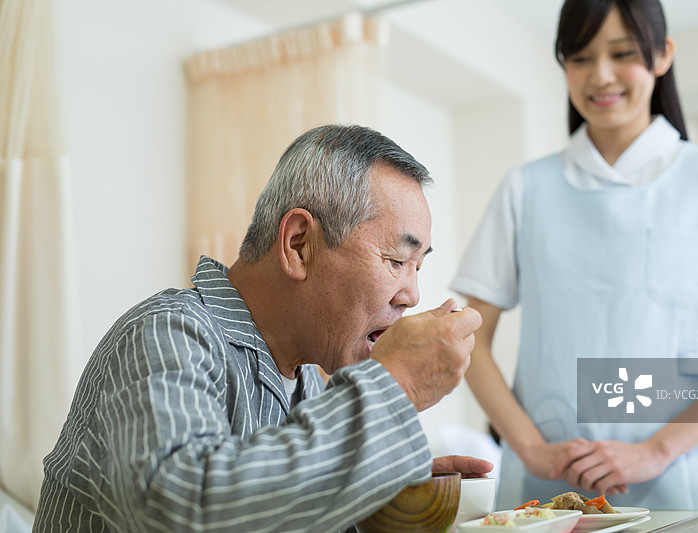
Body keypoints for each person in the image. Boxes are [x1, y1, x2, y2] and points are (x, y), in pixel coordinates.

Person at [34, 124, 489, 532]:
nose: (411, 294)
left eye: (417, 267)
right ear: (298, 244)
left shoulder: (309, 379)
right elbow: (177, 513)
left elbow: (271, 500)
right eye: (395, 261)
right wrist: (397, 384)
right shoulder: (167, 334)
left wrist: (373, 494)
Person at [450, 0, 698, 531]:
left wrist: (657, 450)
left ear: (663, 56)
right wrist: (533, 449)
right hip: (548, 494)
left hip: (683, 483)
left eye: (623, 53)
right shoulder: (526, 189)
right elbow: (469, 341)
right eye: (581, 57)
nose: (602, 75)